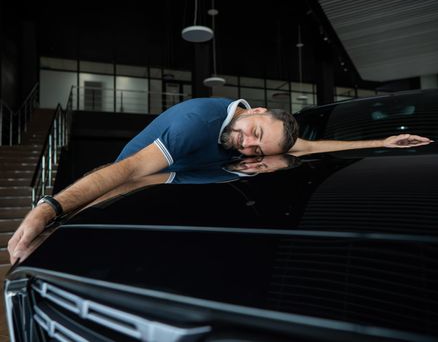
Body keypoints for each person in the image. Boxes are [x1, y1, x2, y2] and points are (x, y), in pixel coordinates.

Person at [7, 97, 433, 264]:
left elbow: (304, 149)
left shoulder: (256, 140)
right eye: (255, 134)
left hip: (175, 186)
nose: (248, 145)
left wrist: (382, 142)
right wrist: (49, 208)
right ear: (254, 109)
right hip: (132, 183)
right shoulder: (198, 123)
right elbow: (128, 172)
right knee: (55, 241)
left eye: (256, 150)